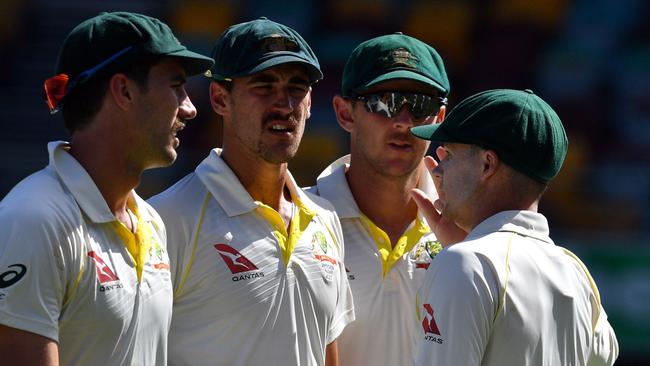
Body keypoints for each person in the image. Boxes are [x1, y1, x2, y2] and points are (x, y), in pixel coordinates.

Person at [0, 11, 213, 366]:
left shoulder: (151, 222)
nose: (190, 108)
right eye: (176, 86)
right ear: (124, 90)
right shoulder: (33, 220)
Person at [148, 17, 354, 366]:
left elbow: (326, 352)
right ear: (219, 98)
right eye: (263, 85)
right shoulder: (167, 219)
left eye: (297, 88)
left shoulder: (325, 219)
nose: (285, 105)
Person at [409, 89, 619, 365]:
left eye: (449, 154)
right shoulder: (576, 273)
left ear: (487, 165)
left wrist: (465, 255)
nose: (437, 170)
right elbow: (606, 356)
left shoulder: (467, 264)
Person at [305, 33, 463, 366]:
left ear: (440, 119)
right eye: (384, 101)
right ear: (345, 113)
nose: (404, 122)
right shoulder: (299, 223)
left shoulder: (469, 232)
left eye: (421, 105)